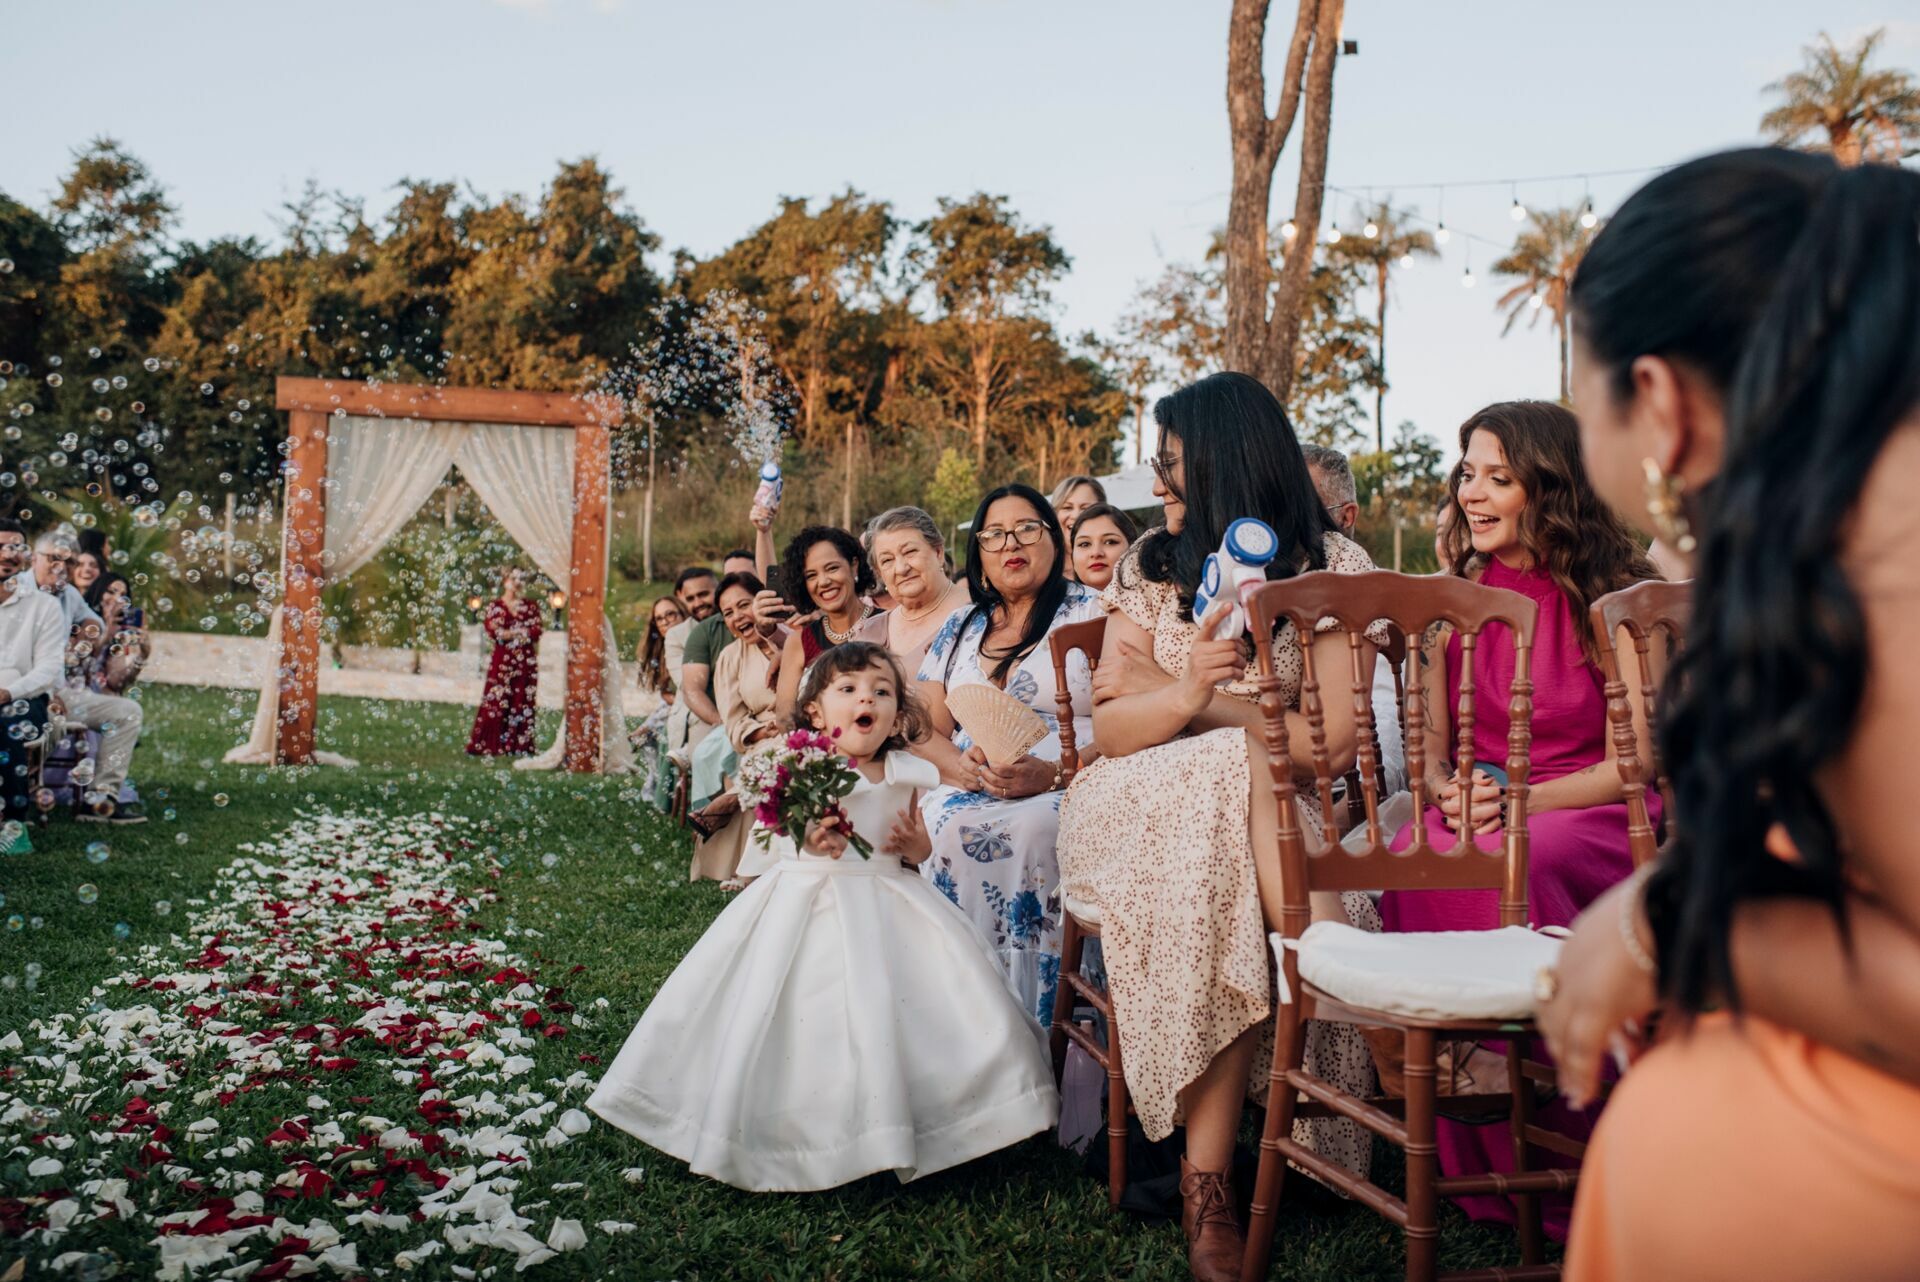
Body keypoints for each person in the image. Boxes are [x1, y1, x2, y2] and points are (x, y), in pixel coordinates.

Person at [1538, 150, 1920, 1281]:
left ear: (1657, 401)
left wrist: (1678, 928)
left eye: (1579, 391)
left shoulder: (1881, 587)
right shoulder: (1842, 546)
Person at [1056, 371, 1387, 1282]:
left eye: (1171, 468)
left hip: (1262, 824)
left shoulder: (1329, 569)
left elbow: (1328, 750)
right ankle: (1341, 979)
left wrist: (1183, 705)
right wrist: (1208, 690)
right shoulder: (1148, 566)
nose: (1159, 487)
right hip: (1133, 811)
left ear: (1227, 464)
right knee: (1238, 774)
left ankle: (1206, 1184)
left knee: (1235, 815)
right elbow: (1113, 735)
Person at [588, 642, 1058, 1191]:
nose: (868, 699)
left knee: (925, 1006)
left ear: (898, 716)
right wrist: (810, 833)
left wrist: (915, 845)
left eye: (882, 692)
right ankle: (796, 1131)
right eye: (850, 690)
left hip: (891, 901)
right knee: (796, 1011)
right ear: (816, 712)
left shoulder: (907, 770)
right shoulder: (800, 769)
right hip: (804, 902)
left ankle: (950, 1119)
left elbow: (917, 848)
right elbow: (783, 826)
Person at [1377, 401, 1660, 1238]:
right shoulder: (1456, 601)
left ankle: (1576, 1142)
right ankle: (1476, 1143)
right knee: (1415, 845)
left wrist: (1520, 800)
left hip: (1596, 803)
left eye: (1499, 476)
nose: (1474, 492)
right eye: (1468, 472)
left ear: (1553, 486)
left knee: (1529, 857)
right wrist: (1446, 791)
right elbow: (1428, 754)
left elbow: (1637, 760)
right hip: (1492, 800)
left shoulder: (1611, 595)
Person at [913, 485, 1103, 1024]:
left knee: (1041, 828)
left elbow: (1125, 725)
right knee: (942, 826)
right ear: (978, 555)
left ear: (1053, 537)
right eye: (993, 535)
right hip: (971, 782)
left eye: (1026, 529)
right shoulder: (960, 627)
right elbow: (924, 726)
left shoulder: (1095, 612)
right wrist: (958, 767)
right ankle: (963, 1017)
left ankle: (1049, 1018)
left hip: (1075, 775)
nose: (1010, 544)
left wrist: (1056, 772)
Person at [1302, 444, 1408, 796]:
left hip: (1352, 794)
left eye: (1304, 509)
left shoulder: (1385, 607)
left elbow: (1386, 726)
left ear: (1346, 517)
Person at [687, 571, 782, 884]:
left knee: (793, 750)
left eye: (744, 605)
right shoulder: (730, 658)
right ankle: (751, 868)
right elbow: (733, 720)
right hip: (764, 738)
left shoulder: (793, 639)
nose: (738, 616)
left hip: (808, 729)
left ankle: (733, 799)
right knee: (772, 753)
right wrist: (762, 732)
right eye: (728, 612)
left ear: (763, 602)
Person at [767, 527, 888, 718]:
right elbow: (785, 718)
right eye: (811, 575)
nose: (823, 582)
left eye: (832, 568)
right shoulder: (799, 643)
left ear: (854, 566)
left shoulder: (890, 624)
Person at [0, 521, 67, 854]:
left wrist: (8, 692)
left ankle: (14, 824)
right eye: (0, 547)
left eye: (15, 547)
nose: (7, 554)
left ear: (26, 557)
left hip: (26, 700)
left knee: (8, 721)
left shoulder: (44, 607)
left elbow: (48, 669)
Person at [865, 506, 969, 671]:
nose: (901, 568)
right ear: (879, 573)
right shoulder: (868, 633)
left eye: (910, 552)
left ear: (938, 552)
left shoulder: (983, 614)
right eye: (887, 560)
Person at [466, 568, 542, 757]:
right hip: (502, 661)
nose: (517, 582)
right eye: (514, 577)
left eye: (521, 578)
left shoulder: (530, 606)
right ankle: (491, 743)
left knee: (521, 701)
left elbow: (535, 632)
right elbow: (494, 632)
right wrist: (519, 631)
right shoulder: (496, 607)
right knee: (496, 701)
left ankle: (517, 745)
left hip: (525, 661)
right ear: (505, 580)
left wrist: (510, 633)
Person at [632, 594, 687, 812]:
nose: (665, 621)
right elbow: (665, 693)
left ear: (683, 614)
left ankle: (661, 793)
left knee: (651, 731)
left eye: (670, 614)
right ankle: (655, 784)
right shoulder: (662, 650)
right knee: (647, 734)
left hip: (688, 707)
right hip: (673, 706)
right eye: (660, 618)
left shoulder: (693, 643)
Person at [663, 566, 720, 760]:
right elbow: (687, 684)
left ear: (718, 590)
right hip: (697, 709)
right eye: (690, 598)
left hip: (738, 705)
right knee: (706, 755)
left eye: (704, 594)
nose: (698, 603)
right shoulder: (676, 635)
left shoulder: (735, 622)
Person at [1067, 503, 1138, 592]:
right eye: (1085, 544)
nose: (1096, 553)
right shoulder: (1053, 604)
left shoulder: (1155, 602)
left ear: (1133, 548)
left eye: (1110, 542)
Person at [1049, 474, 1107, 552]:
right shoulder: (1042, 561)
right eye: (1067, 507)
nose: (1076, 515)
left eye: (1085, 508)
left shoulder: (1118, 560)